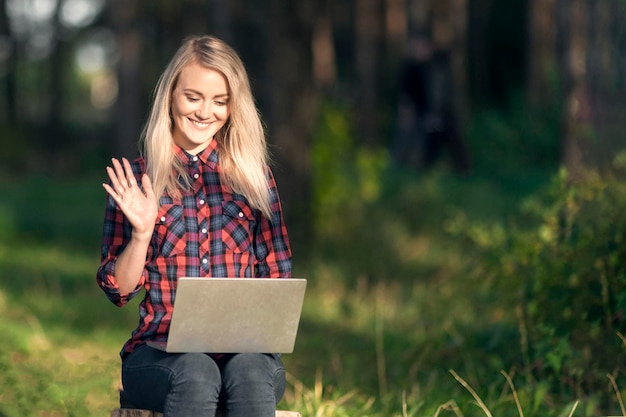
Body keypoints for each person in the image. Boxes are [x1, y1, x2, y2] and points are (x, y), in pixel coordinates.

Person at [96, 35, 292, 417]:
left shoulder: (254, 177)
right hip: (159, 357)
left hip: (246, 358)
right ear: (170, 96)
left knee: (251, 371)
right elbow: (117, 291)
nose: (206, 112)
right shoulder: (138, 179)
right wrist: (141, 234)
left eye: (220, 101)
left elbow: (278, 279)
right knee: (198, 371)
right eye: (193, 97)